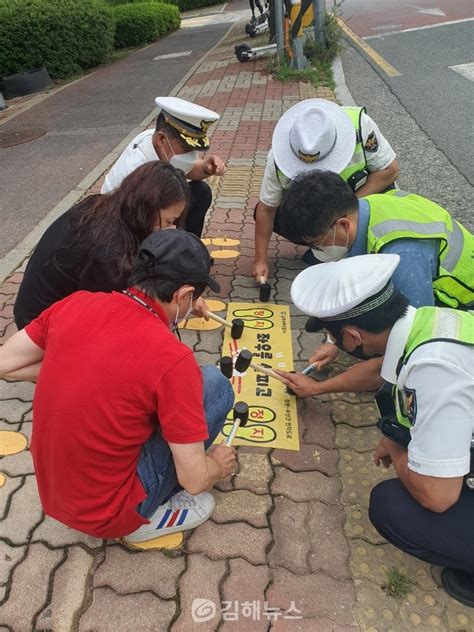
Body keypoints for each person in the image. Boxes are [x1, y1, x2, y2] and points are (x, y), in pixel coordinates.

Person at [1, 230, 237, 543]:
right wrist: (217, 467)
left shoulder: (75, 303)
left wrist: (80, 365)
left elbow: (5, 362)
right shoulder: (172, 359)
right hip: (110, 514)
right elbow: (194, 480)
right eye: (192, 298)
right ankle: (148, 519)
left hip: (55, 497)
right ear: (183, 296)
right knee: (215, 385)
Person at [275, 254, 474, 606]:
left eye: (332, 336)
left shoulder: (434, 369)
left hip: (441, 485)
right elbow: (382, 367)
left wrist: (397, 445)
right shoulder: (426, 322)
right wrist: (316, 388)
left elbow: (437, 496)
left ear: (352, 336)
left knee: (392, 506)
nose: (332, 342)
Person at [279, 171, 474, 371]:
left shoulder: (403, 254)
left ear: (344, 225)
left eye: (318, 244)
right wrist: (334, 341)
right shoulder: (365, 209)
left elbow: (415, 340)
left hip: (463, 307)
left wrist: (321, 388)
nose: (317, 251)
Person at [14, 161, 190, 330]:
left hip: (36, 307)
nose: (170, 229)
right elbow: (127, 310)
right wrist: (176, 308)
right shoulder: (109, 252)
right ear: (147, 209)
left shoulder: (105, 205)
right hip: (39, 323)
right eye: (168, 221)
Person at [253, 98, 399, 282]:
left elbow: (390, 170)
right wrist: (260, 260)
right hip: (327, 216)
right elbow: (266, 209)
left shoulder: (359, 126)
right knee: (279, 216)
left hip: (360, 206)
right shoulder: (278, 157)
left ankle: (358, 248)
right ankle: (325, 245)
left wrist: (350, 207)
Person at [102, 96, 225, 237]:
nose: (191, 155)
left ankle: (187, 249)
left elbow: (189, 169)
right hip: (124, 225)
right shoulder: (134, 172)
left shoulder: (160, 143)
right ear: (161, 139)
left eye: (193, 149)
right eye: (186, 148)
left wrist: (205, 168)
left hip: (153, 210)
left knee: (201, 192)